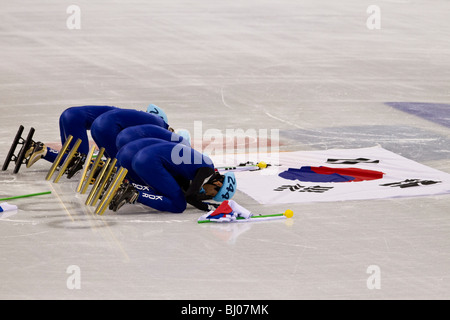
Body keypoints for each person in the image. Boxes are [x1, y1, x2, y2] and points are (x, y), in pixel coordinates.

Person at [25, 104, 170, 177]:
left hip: (69, 115)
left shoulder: (132, 114)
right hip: (100, 125)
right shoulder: (159, 125)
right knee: (80, 161)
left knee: (73, 159)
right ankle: (43, 151)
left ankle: (40, 149)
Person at [109, 137, 237, 213]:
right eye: (213, 194)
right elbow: (190, 197)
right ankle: (133, 194)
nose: (207, 195)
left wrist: (196, 196)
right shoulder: (206, 171)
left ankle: (127, 187)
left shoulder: (201, 166)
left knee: (168, 193)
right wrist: (209, 207)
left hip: (140, 157)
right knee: (178, 205)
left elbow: (183, 188)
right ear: (218, 183)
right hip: (150, 161)